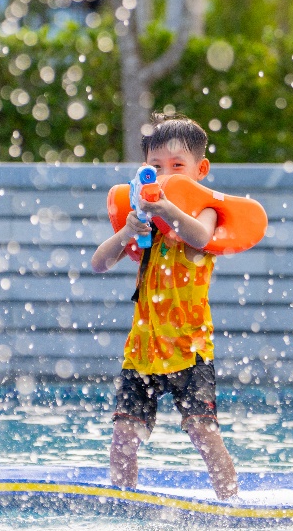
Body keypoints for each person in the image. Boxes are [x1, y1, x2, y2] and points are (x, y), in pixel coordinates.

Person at [90, 113, 239, 500]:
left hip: (189, 348)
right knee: (124, 436)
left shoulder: (202, 211)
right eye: (156, 167)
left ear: (200, 169)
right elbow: (99, 263)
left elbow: (200, 236)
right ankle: (123, 497)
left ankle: (231, 500)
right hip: (142, 349)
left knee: (203, 431)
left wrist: (165, 209)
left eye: (177, 167)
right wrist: (127, 231)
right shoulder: (142, 222)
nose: (166, 175)